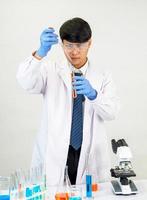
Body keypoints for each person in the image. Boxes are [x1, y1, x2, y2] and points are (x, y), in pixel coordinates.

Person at [17, 17, 119, 186]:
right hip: (55, 153)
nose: (74, 52)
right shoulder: (50, 70)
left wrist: (94, 95)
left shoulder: (103, 75)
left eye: (79, 45)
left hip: (89, 154)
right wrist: (40, 53)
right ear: (62, 44)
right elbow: (26, 82)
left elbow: (112, 111)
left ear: (90, 43)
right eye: (69, 45)